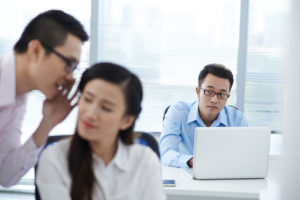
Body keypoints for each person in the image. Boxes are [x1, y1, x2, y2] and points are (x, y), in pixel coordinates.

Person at [36, 63, 166, 200]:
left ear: (126, 121)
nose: (91, 114)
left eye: (106, 108)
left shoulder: (145, 161)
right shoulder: (54, 158)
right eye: (87, 99)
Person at [0, 10, 88, 187]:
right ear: (36, 50)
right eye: (68, 64)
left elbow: (5, 175)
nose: (71, 78)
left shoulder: (17, 100)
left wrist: (47, 123)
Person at [159, 64, 248, 168]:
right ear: (198, 91)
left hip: (224, 176)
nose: (214, 100)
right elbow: (165, 153)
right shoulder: (178, 111)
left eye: (222, 94)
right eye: (209, 91)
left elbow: (244, 156)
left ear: (227, 96)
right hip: (186, 174)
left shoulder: (237, 118)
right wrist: (192, 161)